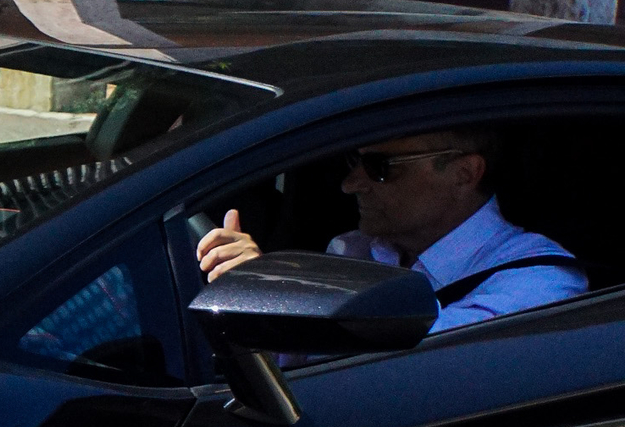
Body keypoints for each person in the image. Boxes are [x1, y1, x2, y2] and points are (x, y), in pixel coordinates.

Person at [196, 130, 585, 334]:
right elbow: (294, 368)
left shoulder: (539, 281)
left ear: (464, 173)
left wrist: (278, 293)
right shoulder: (355, 249)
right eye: (355, 161)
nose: (351, 184)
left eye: (381, 166)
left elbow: (414, 356)